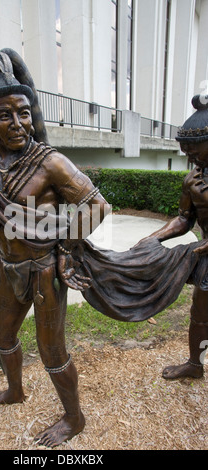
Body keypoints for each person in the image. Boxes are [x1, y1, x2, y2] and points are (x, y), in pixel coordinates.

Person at [0, 49, 109, 448]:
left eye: (24, 113)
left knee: (52, 351)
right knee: (4, 335)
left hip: (45, 270)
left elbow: (96, 206)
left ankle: (74, 417)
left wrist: (64, 242)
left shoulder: (51, 163)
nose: (17, 123)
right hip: (6, 268)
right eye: (4, 115)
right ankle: (15, 390)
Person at [139, 94, 208, 380]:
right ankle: (195, 363)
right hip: (206, 259)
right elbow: (183, 219)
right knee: (200, 314)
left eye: (194, 150)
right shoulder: (192, 180)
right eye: (186, 152)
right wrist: (154, 238)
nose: (189, 157)